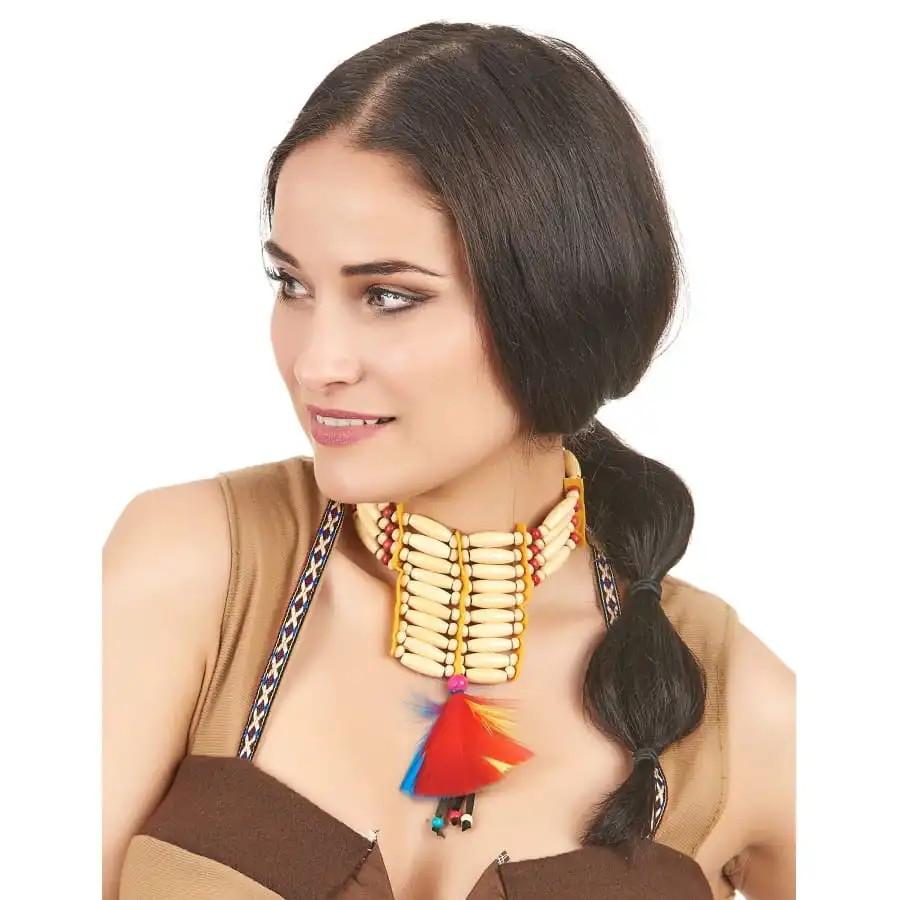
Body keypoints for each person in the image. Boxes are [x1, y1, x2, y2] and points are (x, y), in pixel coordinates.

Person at [102, 20, 795, 900]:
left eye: (389, 296)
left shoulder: (745, 712)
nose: (315, 363)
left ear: (555, 303)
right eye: (293, 284)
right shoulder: (190, 572)